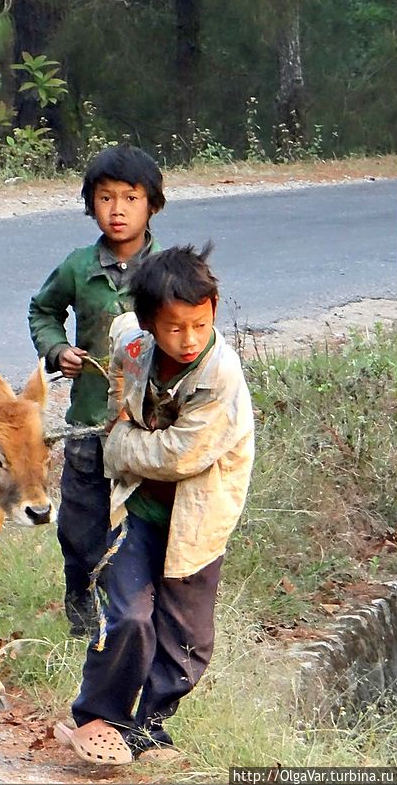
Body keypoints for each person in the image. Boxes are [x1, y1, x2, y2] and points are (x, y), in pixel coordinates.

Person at [53, 242, 255, 765]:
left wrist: (119, 443)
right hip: (139, 513)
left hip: (197, 518)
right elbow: (121, 343)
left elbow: (181, 454)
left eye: (199, 324)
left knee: (187, 638)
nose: (187, 339)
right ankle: (101, 718)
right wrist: (121, 403)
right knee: (129, 619)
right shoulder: (138, 343)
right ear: (150, 325)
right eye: (173, 328)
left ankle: (151, 727)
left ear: (213, 310)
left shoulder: (220, 376)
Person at [28, 144, 166, 635]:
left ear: (153, 204)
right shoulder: (77, 267)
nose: (118, 210)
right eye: (105, 198)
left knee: (143, 523)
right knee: (81, 526)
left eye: (131, 198)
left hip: (151, 428)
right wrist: (56, 350)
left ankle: (138, 613)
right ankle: (83, 613)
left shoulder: (167, 272)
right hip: (89, 424)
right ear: (91, 205)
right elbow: (43, 310)